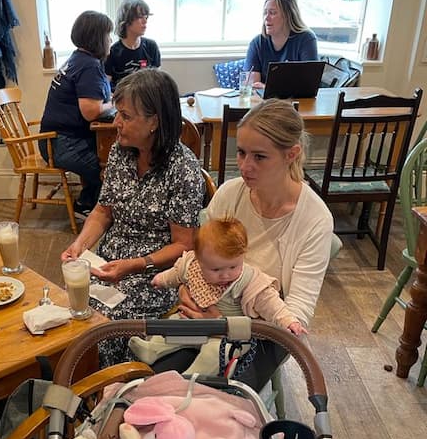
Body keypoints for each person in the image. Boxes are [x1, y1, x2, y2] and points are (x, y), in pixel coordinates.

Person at [156, 98, 333, 391]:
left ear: (292, 154)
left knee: (215, 395)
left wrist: (225, 322)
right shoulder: (230, 195)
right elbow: (199, 259)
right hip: (208, 307)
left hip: (266, 333)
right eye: (241, 153)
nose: (245, 166)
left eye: (259, 157)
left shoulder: (314, 220)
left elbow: (296, 319)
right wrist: (186, 290)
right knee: (159, 378)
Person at [60, 68, 205, 366]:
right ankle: (77, 385)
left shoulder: (183, 169)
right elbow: (103, 210)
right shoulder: (120, 152)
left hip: (154, 275)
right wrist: (80, 246)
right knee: (68, 309)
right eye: (118, 113)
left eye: (125, 116)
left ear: (154, 121)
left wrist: (134, 266)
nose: (116, 122)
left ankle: (107, 393)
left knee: (103, 327)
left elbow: (184, 246)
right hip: (110, 264)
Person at [129, 217, 306, 375]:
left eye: (233, 267)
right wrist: (161, 279)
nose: (225, 275)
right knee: (172, 328)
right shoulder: (193, 265)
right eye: (216, 269)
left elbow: (271, 304)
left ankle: (192, 376)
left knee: (213, 354)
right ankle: (151, 349)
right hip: (195, 324)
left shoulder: (250, 281)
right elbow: (177, 273)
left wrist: (288, 321)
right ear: (199, 259)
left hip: (229, 335)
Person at [40, 10, 115, 217]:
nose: (110, 40)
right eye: (108, 35)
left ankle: (86, 203)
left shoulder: (77, 59)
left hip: (57, 141)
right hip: (62, 145)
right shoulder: (89, 66)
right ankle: (92, 209)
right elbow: (90, 112)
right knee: (111, 167)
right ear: (98, 38)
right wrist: (113, 103)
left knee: (109, 158)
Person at [245, 0, 318, 88]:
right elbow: (253, 87)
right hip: (264, 102)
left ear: (288, 16)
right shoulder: (257, 43)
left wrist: (266, 87)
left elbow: (309, 85)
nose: (266, 18)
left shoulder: (306, 39)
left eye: (272, 13)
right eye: (265, 13)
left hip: (298, 102)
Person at [104, 0, 161, 90]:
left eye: (146, 17)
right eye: (140, 17)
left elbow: (157, 81)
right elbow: (106, 86)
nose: (145, 21)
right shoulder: (112, 52)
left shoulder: (151, 46)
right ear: (126, 20)